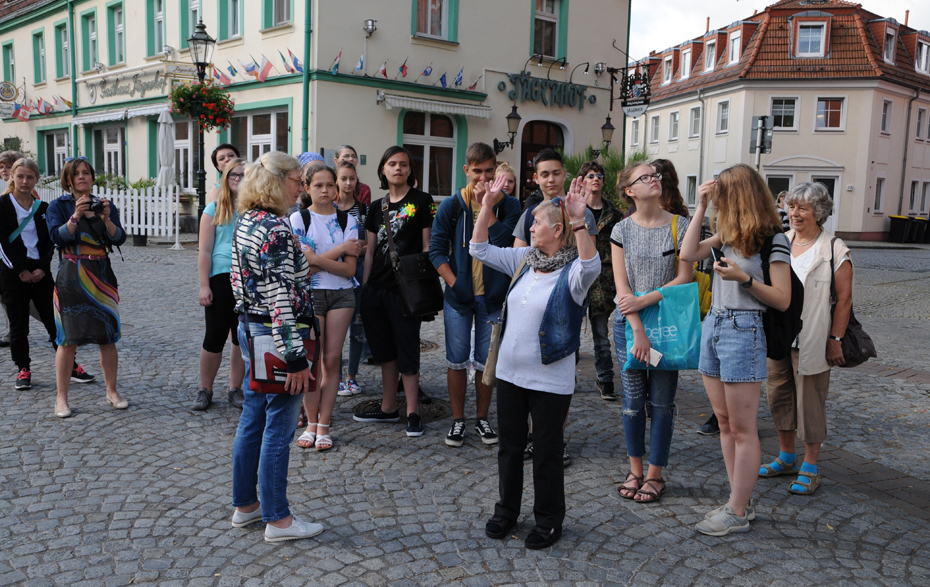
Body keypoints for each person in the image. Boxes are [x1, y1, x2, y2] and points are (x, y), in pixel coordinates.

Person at [473, 176, 599, 550]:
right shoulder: (525, 260)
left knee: (546, 453)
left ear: (556, 230)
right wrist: (487, 205)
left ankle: (548, 520)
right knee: (509, 447)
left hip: (550, 379)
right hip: (510, 374)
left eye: (537, 223)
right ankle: (506, 510)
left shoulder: (573, 272)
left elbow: (592, 266)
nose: (529, 227)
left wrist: (579, 219)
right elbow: (478, 248)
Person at [680, 163, 792, 536]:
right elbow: (688, 253)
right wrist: (698, 208)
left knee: (743, 428)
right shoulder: (726, 234)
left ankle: (737, 510)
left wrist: (743, 278)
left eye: (721, 196)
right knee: (724, 422)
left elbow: (781, 299)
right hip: (715, 323)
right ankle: (737, 500)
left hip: (745, 328)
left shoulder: (774, 239)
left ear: (739, 196)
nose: (717, 203)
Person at [230, 150, 324, 543]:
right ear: (277, 181)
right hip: (278, 336)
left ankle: (246, 506)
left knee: (253, 418)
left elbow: (245, 283)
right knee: (278, 428)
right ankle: (278, 520)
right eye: (297, 180)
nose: (301, 187)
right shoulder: (275, 230)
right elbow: (281, 300)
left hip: (252, 332)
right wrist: (298, 360)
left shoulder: (247, 221)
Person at [759, 182, 852, 496]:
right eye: (792, 206)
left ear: (819, 212)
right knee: (779, 396)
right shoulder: (780, 240)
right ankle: (786, 457)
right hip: (779, 336)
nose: (794, 213)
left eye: (803, 208)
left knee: (810, 402)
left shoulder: (834, 248)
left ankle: (810, 466)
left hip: (812, 337)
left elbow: (844, 299)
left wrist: (835, 339)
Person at [429, 142, 521, 447]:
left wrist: (488, 208)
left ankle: (482, 419)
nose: (483, 178)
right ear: (467, 171)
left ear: (496, 171)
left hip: (493, 297)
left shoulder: (509, 205)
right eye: (477, 172)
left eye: (489, 171)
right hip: (459, 296)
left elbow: (507, 242)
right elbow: (436, 251)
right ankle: (458, 420)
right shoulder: (452, 205)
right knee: (456, 360)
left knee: (485, 361)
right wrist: (456, 284)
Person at [611, 163, 692, 503]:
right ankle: (635, 470)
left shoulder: (681, 225)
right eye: (644, 177)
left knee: (661, 403)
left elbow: (684, 277)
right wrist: (638, 329)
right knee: (632, 403)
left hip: (667, 325)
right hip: (629, 327)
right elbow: (621, 286)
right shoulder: (621, 230)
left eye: (655, 175)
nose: (653, 180)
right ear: (629, 190)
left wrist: (646, 300)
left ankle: (655, 475)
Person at [353, 146, 434, 437]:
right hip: (376, 289)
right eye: (392, 164)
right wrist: (365, 290)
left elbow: (427, 248)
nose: (398, 168)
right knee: (384, 352)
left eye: (403, 164)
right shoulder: (377, 207)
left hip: (406, 291)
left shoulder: (423, 201)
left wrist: (424, 289)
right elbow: (371, 251)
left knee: (407, 350)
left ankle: (412, 412)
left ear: (410, 170)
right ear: (383, 170)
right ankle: (388, 408)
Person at [47, 157, 128, 419]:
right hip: (71, 275)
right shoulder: (57, 206)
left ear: (92, 177)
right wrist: (75, 216)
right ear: (68, 180)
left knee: (108, 337)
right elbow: (57, 238)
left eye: (86, 173)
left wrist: (105, 219)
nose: (82, 177)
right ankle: (61, 397)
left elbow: (119, 238)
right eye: (76, 174)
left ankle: (111, 391)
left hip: (102, 275)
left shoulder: (104, 204)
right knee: (67, 339)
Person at [290, 163, 361, 451]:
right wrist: (341, 250)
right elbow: (303, 267)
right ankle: (309, 421)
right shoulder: (298, 219)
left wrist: (321, 258)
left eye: (330, 185)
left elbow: (349, 271)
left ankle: (324, 424)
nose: (325, 190)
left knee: (332, 361)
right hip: (311, 294)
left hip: (342, 296)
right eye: (318, 185)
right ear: (306, 188)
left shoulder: (348, 221)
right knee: (313, 361)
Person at [195, 158, 247, 411]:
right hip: (221, 277)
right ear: (225, 178)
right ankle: (205, 389)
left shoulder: (253, 209)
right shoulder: (213, 209)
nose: (238, 179)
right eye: (234, 175)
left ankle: (235, 388)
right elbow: (204, 251)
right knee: (214, 337)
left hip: (248, 279)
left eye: (243, 175)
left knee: (240, 337)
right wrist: (204, 286)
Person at [580, 160, 623, 401]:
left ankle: (605, 380)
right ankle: (566, 376)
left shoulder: (614, 215)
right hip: (576, 275)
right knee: (570, 331)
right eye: (590, 175)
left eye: (599, 175)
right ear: (583, 180)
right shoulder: (573, 210)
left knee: (600, 334)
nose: (595, 179)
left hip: (604, 282)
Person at [333, 160, 369, 396]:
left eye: (352, 178)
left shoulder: (363, 210)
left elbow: (366, 243)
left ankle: (352, 376)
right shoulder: (328, 208)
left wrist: (354, 249)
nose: (348, 182)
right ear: (337, 180)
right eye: (344, 178)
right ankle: (335, 376)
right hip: (333, 273)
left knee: (357, 327)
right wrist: (345, 248)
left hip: (356, 272)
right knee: (334, 330)